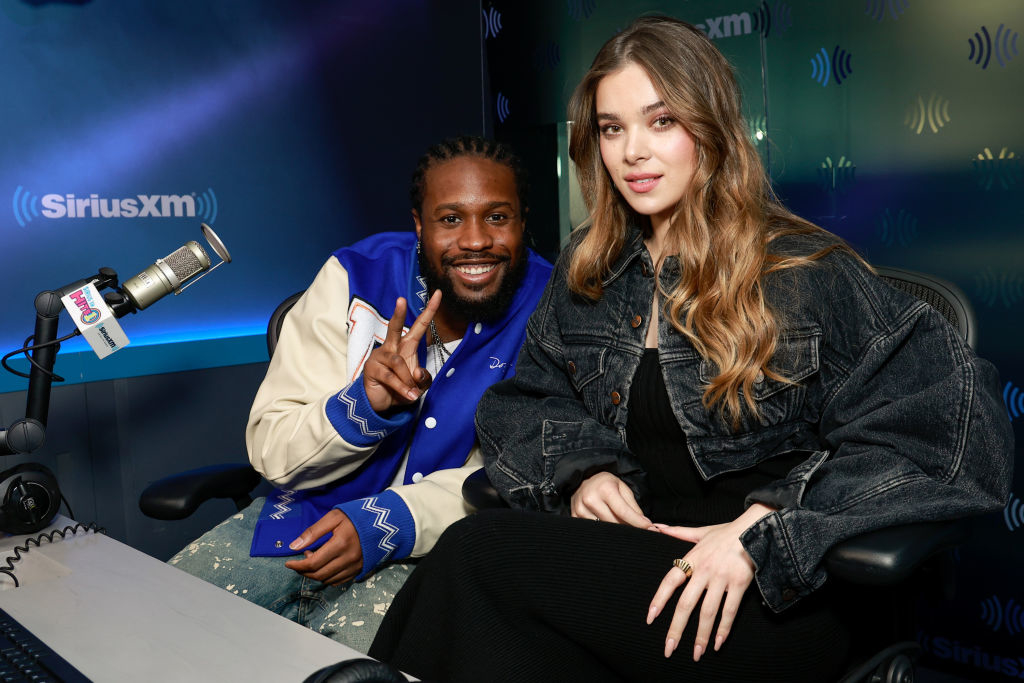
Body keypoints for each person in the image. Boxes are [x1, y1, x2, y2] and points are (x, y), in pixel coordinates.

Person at [368, 17, 1014, 682]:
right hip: (644, 563)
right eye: (612, 128)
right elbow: (521, 403)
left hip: (769, 592)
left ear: (710, 127)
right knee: (498, 641)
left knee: (478, 554)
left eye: (661, 121)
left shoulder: (802, 270)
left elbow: (960, 430)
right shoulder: (591, 268)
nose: (632, 152)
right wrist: (583, 470)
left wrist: (769, 524)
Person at [169, 135, 553, 653]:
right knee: (162, 628)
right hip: (301, 519)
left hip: (431, 551)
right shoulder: (355, 275)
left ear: (523, 221)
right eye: (449, 219)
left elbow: (523, 477)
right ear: (419, 225)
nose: (476, 240)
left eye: (498, 217)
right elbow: (272, 450)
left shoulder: (554, 309)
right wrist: (364, 407)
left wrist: (388, 522)